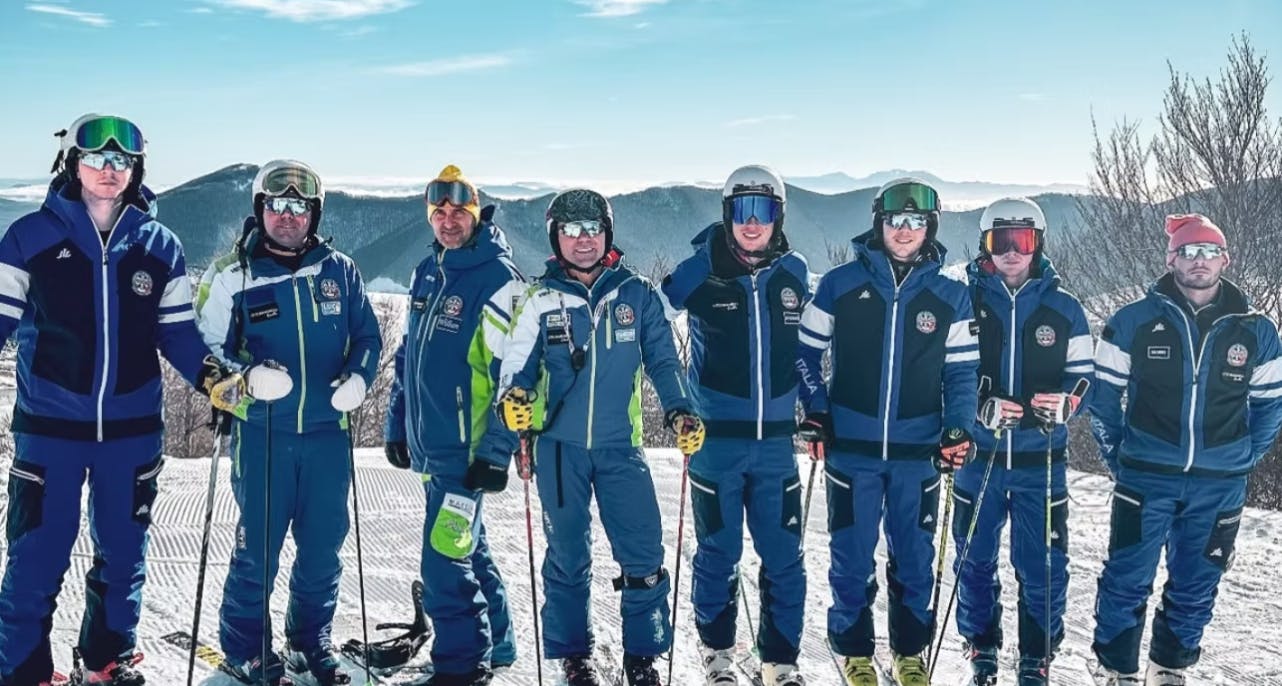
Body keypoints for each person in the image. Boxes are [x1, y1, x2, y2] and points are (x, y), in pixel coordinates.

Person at [0, 114, 249, 686]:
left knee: (123, 557)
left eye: (122, 161)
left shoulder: (160, 247)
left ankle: (104, 662)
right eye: (97, 159)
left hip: (133, 432)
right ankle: (22, 670)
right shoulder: (29, 239)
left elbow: (179, 333)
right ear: (73, 164)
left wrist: (214, 377)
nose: (109, 170)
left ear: (136, 169)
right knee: (37, 557)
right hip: (49, 430)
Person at [496, 188, 705, 686]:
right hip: (558, 448)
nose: (583, 240)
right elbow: (515, 366)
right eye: (571, 231)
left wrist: (681, 411)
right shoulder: (538, 298)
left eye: (592, 229)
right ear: (555, 237)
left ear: (607, 233)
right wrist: (514, 399)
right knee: (567, 556)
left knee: (644, 553)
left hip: (619, 446)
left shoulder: (635, 293)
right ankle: (575, 656)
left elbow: (662, 360)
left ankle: (644, 655)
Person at [196, 159, 382, 686]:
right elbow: (203, 349)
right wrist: (245, 378)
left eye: (300, 207)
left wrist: (360, 379)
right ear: (261, 209)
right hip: (263, 433)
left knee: (323, 547)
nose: (288, 216)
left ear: (314, 215)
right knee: (258, 549)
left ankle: (310, 641)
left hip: (327, 434)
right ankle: (246, 648)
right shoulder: (233, 273)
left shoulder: (340, 271)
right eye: (278, 205)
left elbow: (367, 337)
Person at [795, 177, 979, 686]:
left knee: (915, 560)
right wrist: (816, 409)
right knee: (852, 557)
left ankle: (909, 654)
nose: (904, 230)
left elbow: (961, 374)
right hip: (850, 448)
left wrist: (958, 427)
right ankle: (854, 652)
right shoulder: (839, 284)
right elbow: (806, 355)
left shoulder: (951, 297)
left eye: (915, 222)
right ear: (879, 223)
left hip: (918, 452)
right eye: (896, 221)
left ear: (930, 227)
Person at [1088, 214, 1282, 685]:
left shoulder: (1256, 331)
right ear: (1171, 258)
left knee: (1198, 583)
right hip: (1145, 476)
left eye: (1209, 251)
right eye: (1188, 251)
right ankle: (1116, 669)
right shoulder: (1133, 320)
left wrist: (1238, 459)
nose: (1199, 260)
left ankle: (1169, 668)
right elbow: (1103, 399)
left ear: (1225, 259)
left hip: (1219, 486)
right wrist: (1121, 456)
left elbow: (1270, 407)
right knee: (1127, 579)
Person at [659, 165, 810, 686]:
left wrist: (817, 411)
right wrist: (676, 402)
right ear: (728, 214)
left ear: (778, 217)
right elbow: (653, 329)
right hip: (714, 443)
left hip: (775, 447)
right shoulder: (700, 270)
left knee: (784, 559)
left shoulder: (795, 273)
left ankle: (780, 663)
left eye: (763, 212)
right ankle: (719, 657)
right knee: (718, 556)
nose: (752, 223)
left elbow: (808, 354)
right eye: (741, 211)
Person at [383, 164, 525, 686]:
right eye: (438, 212)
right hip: (432, 443)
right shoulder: (430, 270)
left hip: (466, 452)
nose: (447, 221)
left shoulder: (499, 281)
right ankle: (500, 641)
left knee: (445, 561)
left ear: (475, 214)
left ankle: (463, 665)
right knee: (468, 546)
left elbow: (518, 379)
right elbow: (408, 357)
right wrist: (398, 422)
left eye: (457, 212)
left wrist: (496, 451)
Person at [952, 197, 1093, 685]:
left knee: (1044, 565)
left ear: (1039, 244)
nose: (1012, 252)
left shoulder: (1065, 307)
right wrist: (978, 409)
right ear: (985, 245)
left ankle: (1037, 655)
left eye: (1023, 241)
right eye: (1001, 241)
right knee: (974, 558)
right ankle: (981, 648)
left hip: (1042, 460)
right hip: (978, 457)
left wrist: (1068, 405)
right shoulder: (963, 300)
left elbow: (1084, 377)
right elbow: (942, 375)